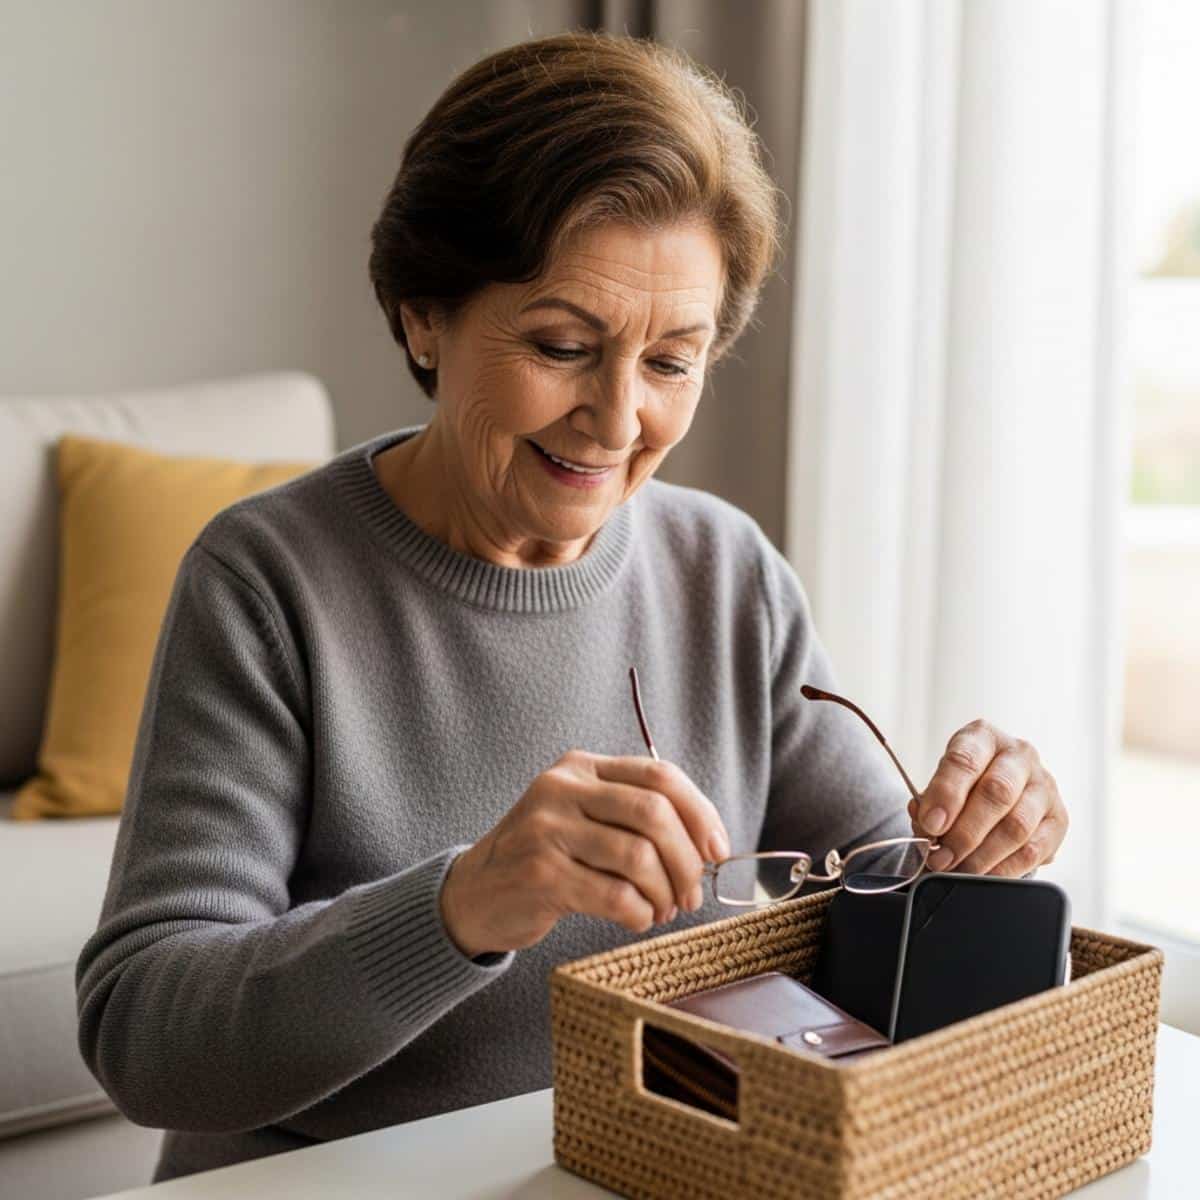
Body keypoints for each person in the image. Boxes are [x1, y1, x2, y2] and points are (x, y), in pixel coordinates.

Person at [76, 29, 1069, 1183]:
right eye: (562, 345)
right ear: (422, 316)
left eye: (672, 361)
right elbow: (145, 1038)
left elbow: (883, 908)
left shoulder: (728, 574)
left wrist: (980, 852)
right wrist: (464, 903)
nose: (615, 419)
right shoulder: (267, 580)